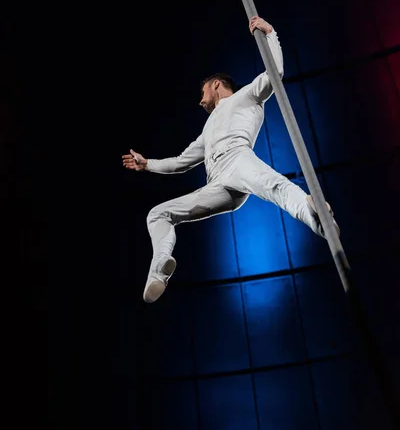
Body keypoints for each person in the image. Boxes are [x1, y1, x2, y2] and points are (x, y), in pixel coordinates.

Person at [122, 16, 339, 303]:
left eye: (202, 93)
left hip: (237, 159)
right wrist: (147, 163)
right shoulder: (207, 129)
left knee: (276, 187)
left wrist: (271, 33)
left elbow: (275, 73)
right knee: (158, 214)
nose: (200, 101)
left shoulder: (246, 96)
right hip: (218, 184)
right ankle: (160, 268)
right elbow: (181, 161)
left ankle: (319, 219)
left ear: (216, 85)